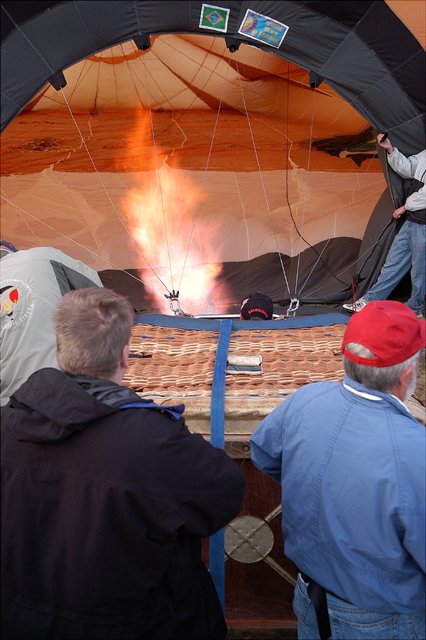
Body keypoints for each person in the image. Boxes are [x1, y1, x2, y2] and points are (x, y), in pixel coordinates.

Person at [1, 287, 245, 640]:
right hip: (134, 625)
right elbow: (226, 493)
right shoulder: (154, 442)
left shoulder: (7, 423)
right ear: (125, 355)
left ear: (61, 348)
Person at [250, 300, 425, 640]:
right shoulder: (415, 448)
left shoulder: (306, 399)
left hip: (309, 596)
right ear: (407, 376)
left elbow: (264, 453)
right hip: (383, 620)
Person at [0, 243, 103, 405]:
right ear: (12, 250)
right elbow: (101, 296)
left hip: (12, 404)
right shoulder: (44, 256)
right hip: (68, 387)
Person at [343, 134, 425, 317]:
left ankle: (415, 309)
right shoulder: (424, 155)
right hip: (412, 222)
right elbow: (408, 169)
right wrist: (390, 149)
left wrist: (405, 207)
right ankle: (371, 300)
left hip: (423, 225)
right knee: (392, 264)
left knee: (419, 270)